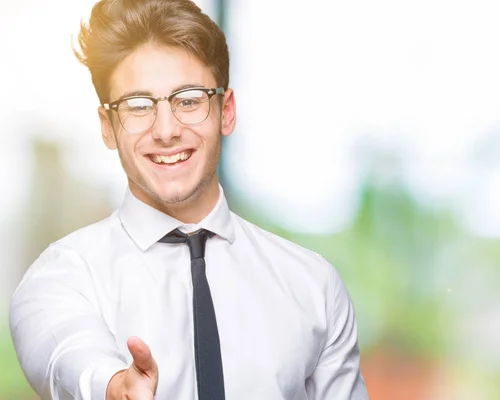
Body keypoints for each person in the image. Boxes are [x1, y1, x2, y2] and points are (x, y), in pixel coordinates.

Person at [9, 0, 369, 399]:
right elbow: (66, 355)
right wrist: (112, 387)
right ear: (108, 127)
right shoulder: (63, 277)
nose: (166, 130)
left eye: (189, 99)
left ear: (226, 111)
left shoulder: (312, 286)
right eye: (138, 106)